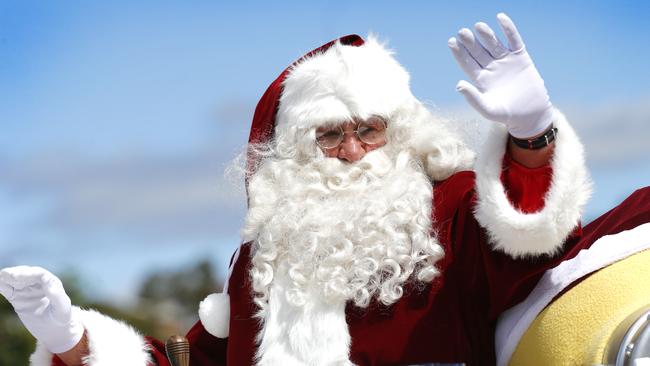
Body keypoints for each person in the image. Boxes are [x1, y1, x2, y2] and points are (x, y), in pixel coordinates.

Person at [1, 13, 649, 366]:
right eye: (329, 134)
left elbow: (535, 250)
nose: (351, 150)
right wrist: (74, 340)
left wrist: (531, 137)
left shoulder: (453, 209)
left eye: (369, 130)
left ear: (399, 132)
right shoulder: (265, 259)